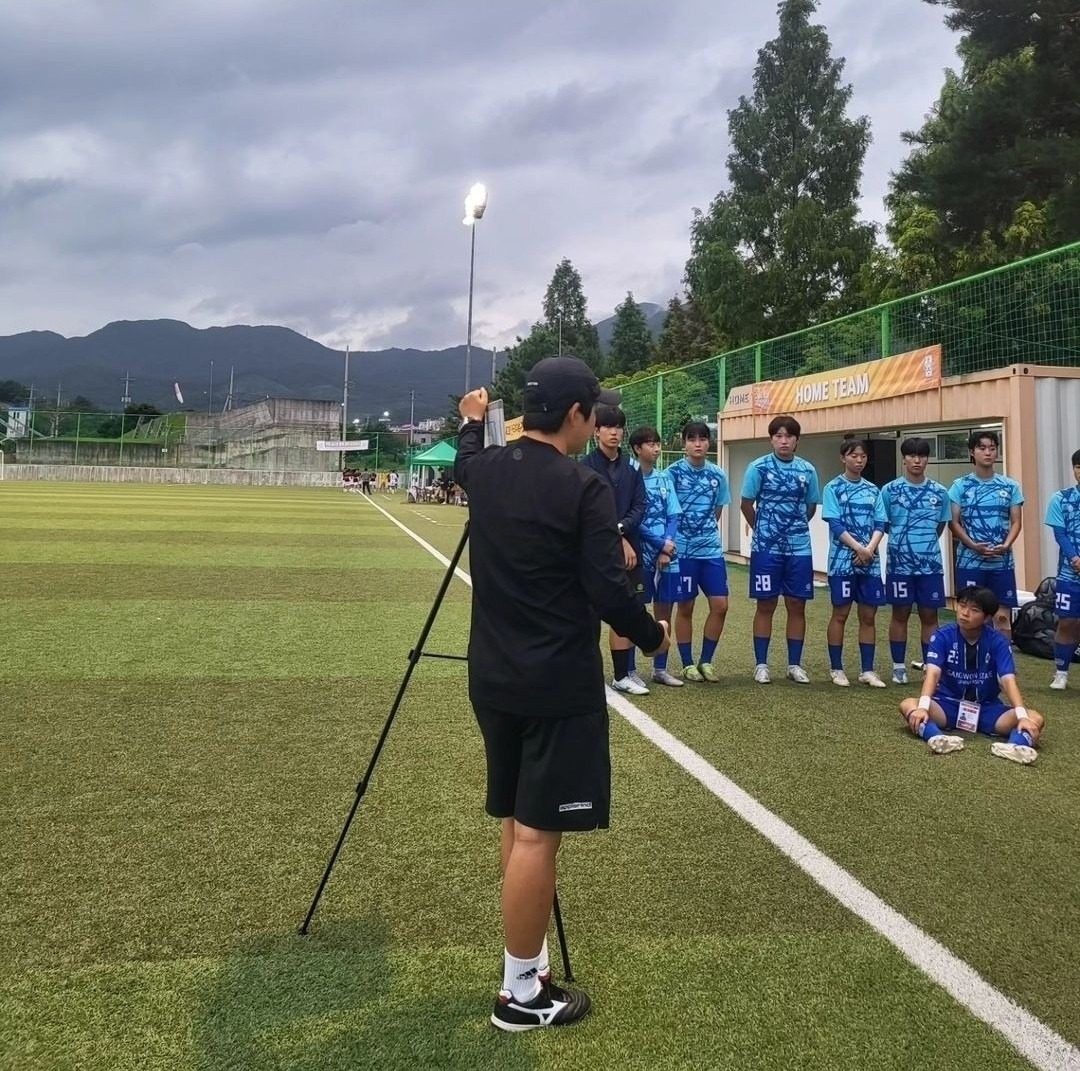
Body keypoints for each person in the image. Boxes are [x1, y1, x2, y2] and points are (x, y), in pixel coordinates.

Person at [454, 357, 669, 1032]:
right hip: (556, 685)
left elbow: (466, 456)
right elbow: (608, 591)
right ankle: (520, 993)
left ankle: (529, 959)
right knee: (537, 835)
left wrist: (468, 419)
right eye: (592, 414)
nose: (595, 424)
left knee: (519, 824)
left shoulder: (486, 470)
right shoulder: (582, 488)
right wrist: (653, 635)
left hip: (492, 678)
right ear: (575, 415)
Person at [898, 585, 1045, 765]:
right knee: (909, 705)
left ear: (987, 618)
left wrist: (1022, 716)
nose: (964, 613)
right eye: (962, 606)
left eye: (974, 610)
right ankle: (936, 737)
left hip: (987, 709)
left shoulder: (998, 641)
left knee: (1035, 718)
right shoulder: (942, 636)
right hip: (948, 706)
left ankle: (1015, 747)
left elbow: (1008, 680)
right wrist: (922, 706)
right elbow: (933, 674)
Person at [740, 414, 821, 684]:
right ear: (771, 439)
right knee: (766, 604)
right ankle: (761, 664)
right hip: (766, 549)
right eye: (778, 436)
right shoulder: (758, 467)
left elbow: (810, 507)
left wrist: (792, 529)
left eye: (788, 436)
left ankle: (794, 665)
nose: (783, 441)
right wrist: (764, 531)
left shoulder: (808, 470)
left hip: (799, 549)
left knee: (797, 604)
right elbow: (746, 504)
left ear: (797, 440)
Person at [580, 406, 649, 694]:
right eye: (607, 427)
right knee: (589, 615)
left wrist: (621, 531)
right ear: (596, 431)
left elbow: (640, 506)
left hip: (631, 551)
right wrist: (615, 536)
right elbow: (587, 510)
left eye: (618, 427)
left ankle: (622, 675)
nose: (614, 432)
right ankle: (587, 675)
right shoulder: (584, 465)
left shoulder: (632, 468)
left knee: (627, 608)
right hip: (595, 551)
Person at [880, 437, 950, 685]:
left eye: (921, 456)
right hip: (899, 564)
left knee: (930, 615)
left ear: (927, 459)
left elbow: (940, 525)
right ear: (904, 459)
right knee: (899, 613)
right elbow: (885, 524)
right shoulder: (889, 491)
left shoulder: (940, 493)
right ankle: (899, 667)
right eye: (911, 456)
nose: (917, 460)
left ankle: (930, 668)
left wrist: (922, 546)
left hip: (930, 565)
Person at [666, 421, 731, 683]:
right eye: (692, 439)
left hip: (711, 550)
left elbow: (718, 510)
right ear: (684, 444)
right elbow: (667, 510)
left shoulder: (718, 475)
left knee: (721, 605)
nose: (698, 444)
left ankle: (706, 661)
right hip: (682, 552)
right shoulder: (671, 473)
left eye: (703, 439)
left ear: (709, 443)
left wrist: (704, 534)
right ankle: (686, 663)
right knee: (686, 606)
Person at [821, 438, 888, 687]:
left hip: (870, 561)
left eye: (862, 456)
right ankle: (837, 668)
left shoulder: (873, 490)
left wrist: (869, 549)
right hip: (842, 562)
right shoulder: (833, 488)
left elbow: (880, 523)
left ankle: (867, 670)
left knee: (868, 616)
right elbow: (835, 523)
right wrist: (858, 547)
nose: (858, 460)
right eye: (853, 456)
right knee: (840, 613)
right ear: (843, 458)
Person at [948, 430, 1023, 641]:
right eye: (982, 448)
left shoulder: (1010, 486)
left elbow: (1016, 521)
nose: (988, 453)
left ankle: (1003, 667)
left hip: (1002, 563)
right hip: (970, 562)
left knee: (1001, 617)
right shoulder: (960, 486)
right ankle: (969, 663)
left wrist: (1006, 545)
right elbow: (953, 523)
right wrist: (973, 545)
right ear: (972, 452)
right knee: (970, 615)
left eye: (992, 448)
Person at [628, 425, 684, 687]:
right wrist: (659, 542)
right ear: (638, 449)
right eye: (651, 444)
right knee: (634, 610)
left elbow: (674, 514)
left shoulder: (665, 478)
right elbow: (631, 519)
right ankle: (628, 669)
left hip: (667, 554)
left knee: (665, 609)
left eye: (658, 443)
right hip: (640, 553)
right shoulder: (629, 476)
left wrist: (668, 544)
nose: (657, 448)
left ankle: (660, 668)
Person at [1044, 447, 1080, 689]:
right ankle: (1061, 673)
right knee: (1067, 622)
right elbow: (1060, 533)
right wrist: (1075, 558)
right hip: (1070, 574)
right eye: (1078, 467)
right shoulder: (1061, 498)